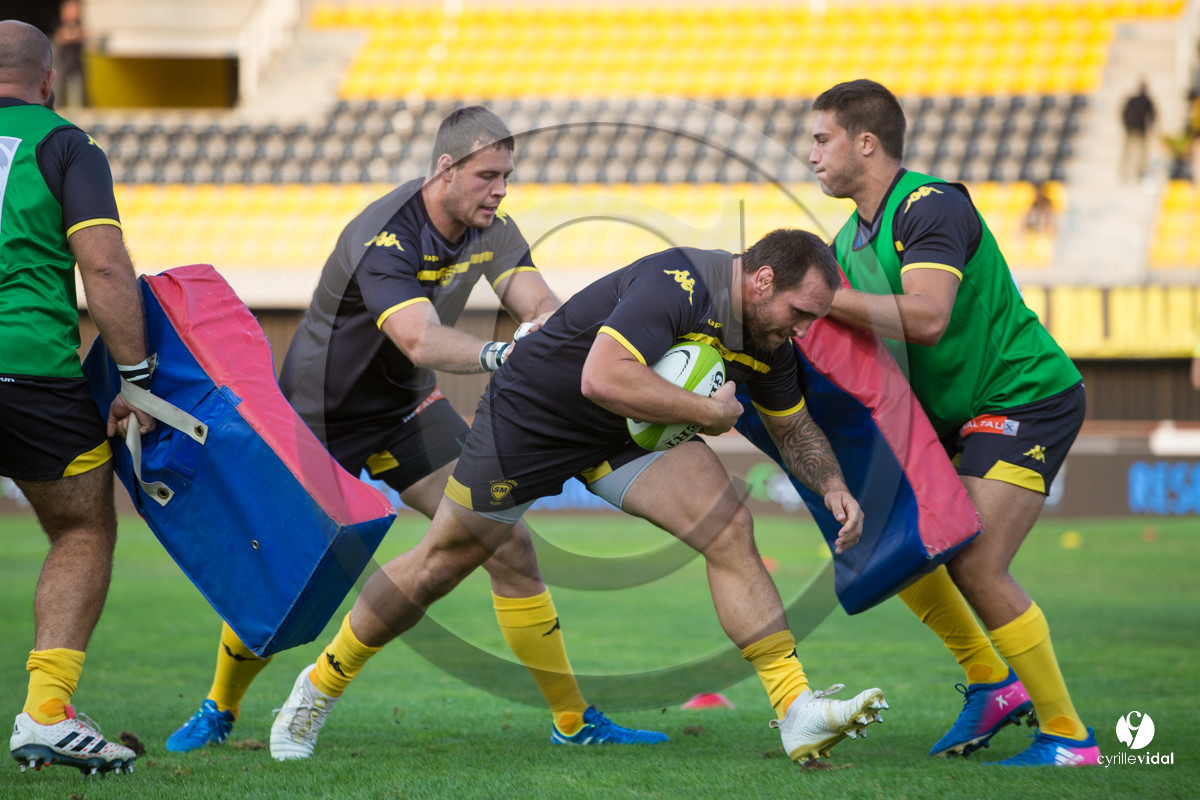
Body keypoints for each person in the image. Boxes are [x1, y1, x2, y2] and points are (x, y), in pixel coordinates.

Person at [270, 227, 890, 765]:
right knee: (441, 563)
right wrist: (706, 411)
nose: (805, 330)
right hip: (534, 417)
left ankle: (795, 707)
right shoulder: (681, 282)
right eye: (801, 312)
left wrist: (833, 483)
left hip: (624, 434)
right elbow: (603, 376)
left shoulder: (771, 338)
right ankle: (316, 689)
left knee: (729, 527)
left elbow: (793, 424)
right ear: (760, 281)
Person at [166, 106, 666, 755]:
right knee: (290, 570)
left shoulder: (493, 228)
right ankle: (220, 708)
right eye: (488, 175)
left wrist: (549, 329)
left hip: (406, 414)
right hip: (318, 420)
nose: (500, 189)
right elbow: (418, 338)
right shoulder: (386, 236)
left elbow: (537, 301)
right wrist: (501, 355)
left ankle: (573, 721)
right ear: (445, 169)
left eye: (507, 176)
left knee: (506, 541)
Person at [809, 78, 1099, 767]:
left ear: (867, 143)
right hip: (954, 418)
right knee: (892, 538)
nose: (811, 155)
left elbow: (930, 317)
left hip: (1024, 396)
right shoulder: (847, 238)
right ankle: (991, 683)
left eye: (822, 139)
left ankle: (1069, 738)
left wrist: (825, 299)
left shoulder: (930, 204)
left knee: (973, 558)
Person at [1, 19, 150, 776]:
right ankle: (47, 713)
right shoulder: (65, 145)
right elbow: (107, 270)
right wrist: (138, 379)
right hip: (29, 368)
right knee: (82, 528)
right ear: (47, 81)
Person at [50, 0, 84, 109]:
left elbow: (83, 34)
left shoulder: (79, 24)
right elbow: (60, 36)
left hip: (75, 64)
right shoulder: (57, 23)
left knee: (77, 91)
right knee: (57, 89)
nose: (74, 12)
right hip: (60, 64)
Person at [1120, 80, 1156, 181]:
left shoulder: (1144, 100)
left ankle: (1137, 172)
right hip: (1135, 128)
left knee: (1139, 152)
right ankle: (1128, 171)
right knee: (1131, 151)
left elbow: (1153, 115)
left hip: (1138, 128)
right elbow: (1124, 112)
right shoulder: (1142, 100)